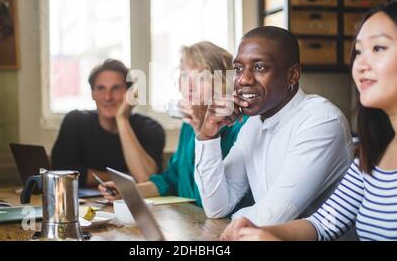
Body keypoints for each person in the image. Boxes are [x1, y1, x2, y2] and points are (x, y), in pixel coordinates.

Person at [227, 0, 397, 241]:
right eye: (359, 51)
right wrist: (257, 231)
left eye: (378, 48)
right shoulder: (374, 154)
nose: (360, 64)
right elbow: (324, 224)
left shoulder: (320, 119)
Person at [194, 26, 353, 233]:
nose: (243, 80)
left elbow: (272, 218)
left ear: (293, 75)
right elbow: (216, 207)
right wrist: (207, 135)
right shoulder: (253, 124)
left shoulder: (321, 122)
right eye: (239, 69)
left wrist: (242, 218)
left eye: (260, 68)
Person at [99, 42, 253, 210]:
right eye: (185, 75)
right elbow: (171, 178)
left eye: (202, 77)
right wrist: (128, 191)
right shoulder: (188, 124)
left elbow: (217, 198)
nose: (189, 85)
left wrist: (203, 133)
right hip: (192, 223)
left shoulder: (241, 125)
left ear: (224, 82)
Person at [51, 59, 165, 187]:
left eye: (116, 88)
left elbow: (146, 179)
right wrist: (127, 177)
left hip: (132, 204)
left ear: (129, 94)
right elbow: (61, 173)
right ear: (93, 94)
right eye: (101, 88)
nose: (108, 97)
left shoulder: (150, 128)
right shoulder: (75, 122)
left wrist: (122, 119)